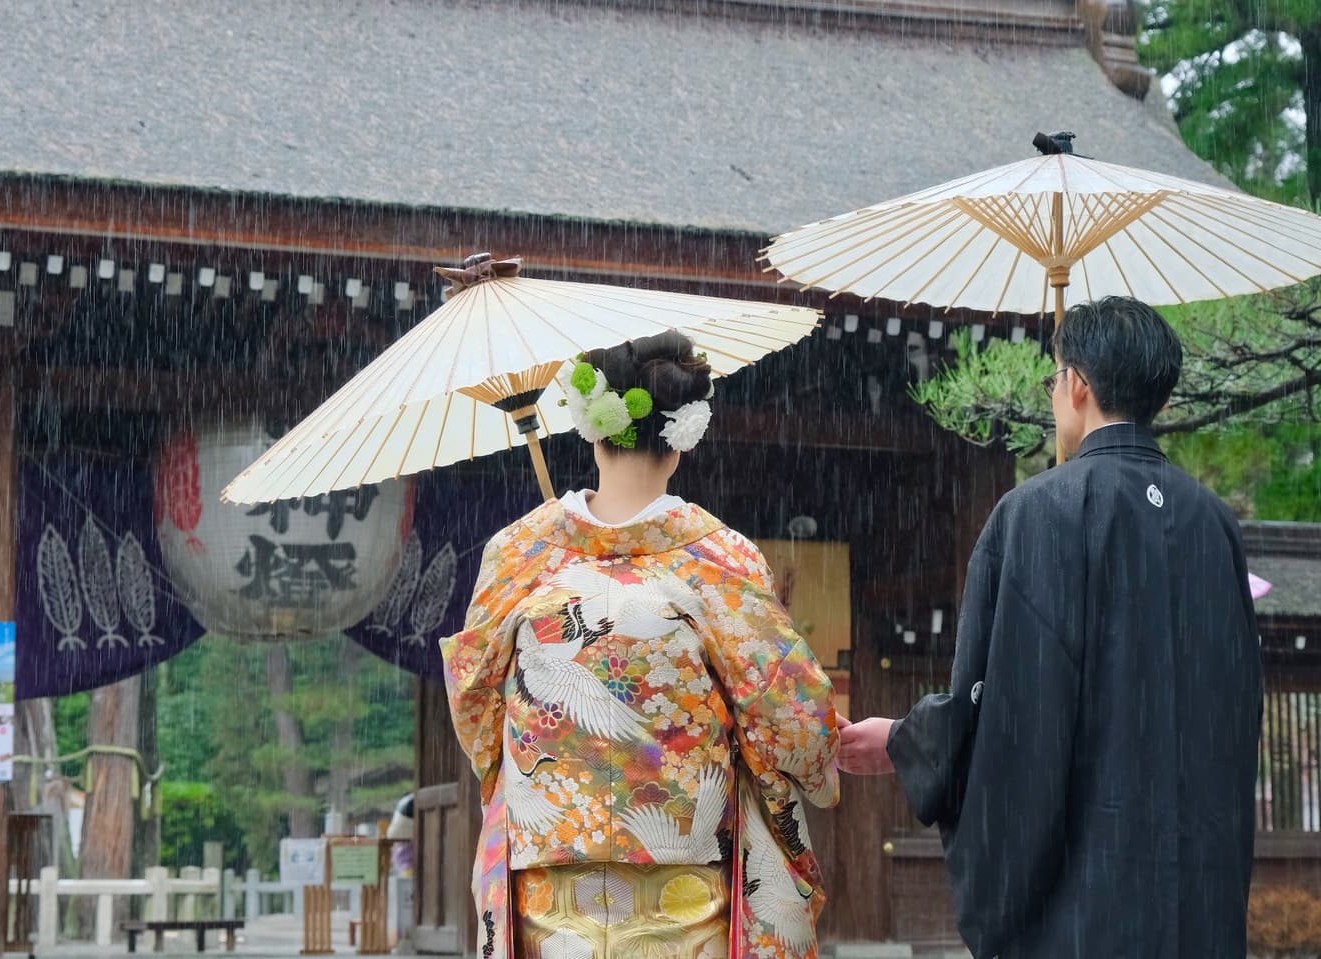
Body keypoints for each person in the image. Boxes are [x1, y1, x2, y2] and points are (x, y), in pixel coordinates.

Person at [837, 295, 1263, 958]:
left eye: (1055, 376)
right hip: (1196, 898)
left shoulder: (1034, 514)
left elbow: (1007, 709)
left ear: (1079, 385)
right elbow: (1235, 709)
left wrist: (905, 740)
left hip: (1084, 904)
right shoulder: (1213, 523)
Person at [441, 331, 842, 959]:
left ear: (592, 432)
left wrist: (541, 764)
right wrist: (805, 762)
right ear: (681, 440)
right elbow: (791, 721)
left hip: (546, 885)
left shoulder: (520, 553)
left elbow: (475, 707)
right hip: (685, 890)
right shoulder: (718, 560)